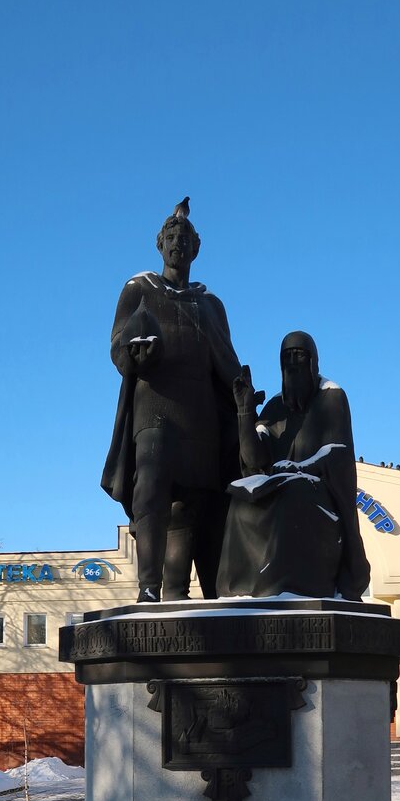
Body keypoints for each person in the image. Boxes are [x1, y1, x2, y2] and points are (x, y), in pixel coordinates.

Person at [101, 202, 241, 602]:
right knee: (153, 481)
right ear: (160, 245)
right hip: (154, 407)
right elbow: (117, 344)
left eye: (185, 239)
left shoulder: (210, 303)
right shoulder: (139, 289)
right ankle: (149, 587)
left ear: (196, 249)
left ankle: (190, 595)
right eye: (172, 238)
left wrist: (244, 402)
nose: (178, 244)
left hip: (201, 415)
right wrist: (132, 354)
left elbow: (226, 358)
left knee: (197, 504)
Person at [217, 331, 370, 601]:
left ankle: (279, 587)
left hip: (317, 491)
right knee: (240, 502)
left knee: (293, 494)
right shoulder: (275, 406)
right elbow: (254, 460)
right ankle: (238, 592)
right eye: (286, 356)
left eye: (299, 354)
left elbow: (337, 451)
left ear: (313, 361)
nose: (293, 362)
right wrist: (244, 411)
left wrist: (300, 468)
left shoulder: (331, 397)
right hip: (276, 485)